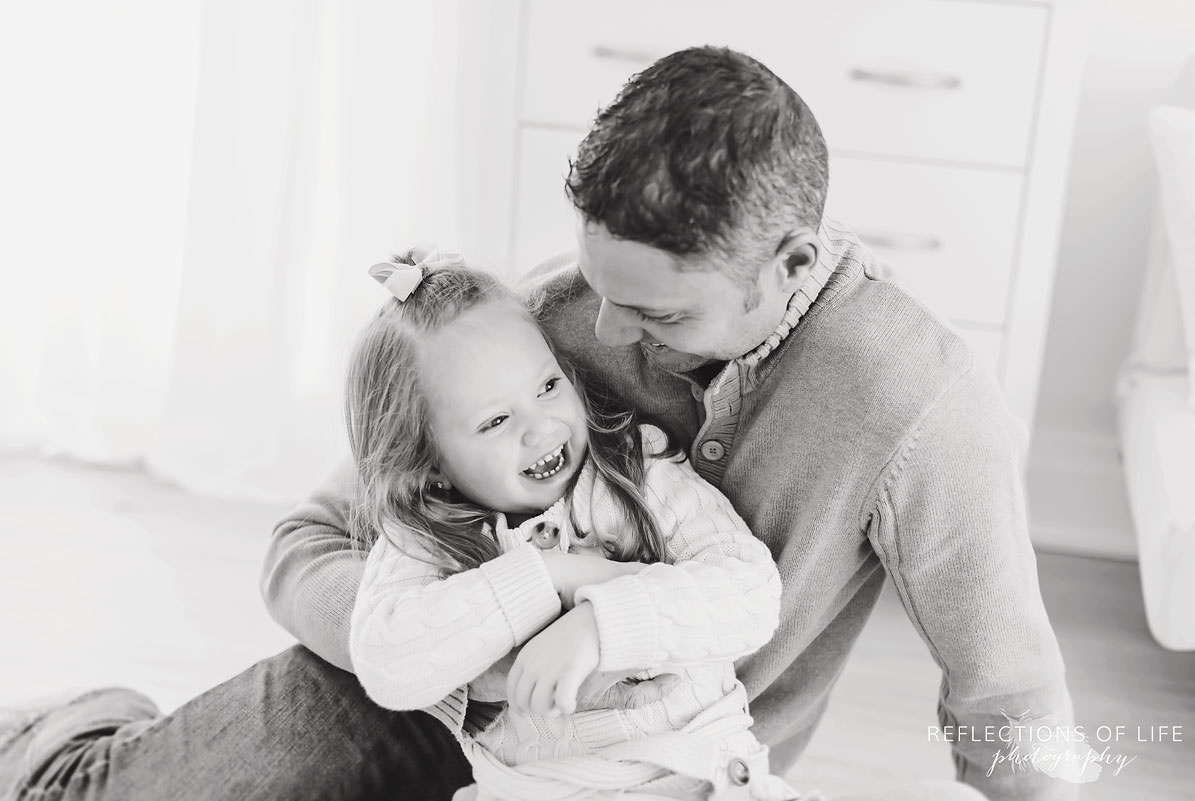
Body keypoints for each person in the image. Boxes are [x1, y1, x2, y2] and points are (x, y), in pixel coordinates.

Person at [0, 45, 1047, 801]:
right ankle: (61, 737)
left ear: (793, 267)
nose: (600, 329)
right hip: (414, 700)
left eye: (655, 313)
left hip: (649, 767)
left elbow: (1011, 693)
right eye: (594, 283)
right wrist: (467, 655)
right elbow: (304, 545)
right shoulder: (546, 323)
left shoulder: (919, 404)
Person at [345, 248, 799, 800]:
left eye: (547, 387)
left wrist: (598, 626)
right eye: (495, 421)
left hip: (694, 773)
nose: (541, 428)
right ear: (428, 462)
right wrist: (546, 575)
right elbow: (388, 663)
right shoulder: (425, 537)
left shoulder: (638, 473)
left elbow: (751, 595)